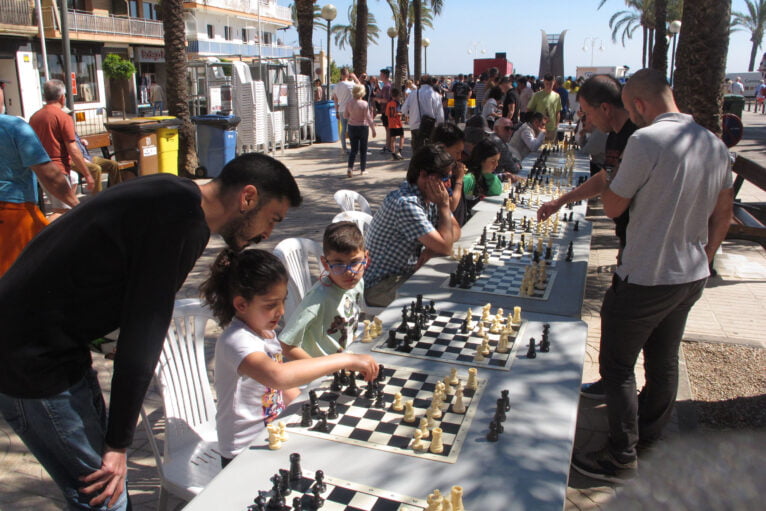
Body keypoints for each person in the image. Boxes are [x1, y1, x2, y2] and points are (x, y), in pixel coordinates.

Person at [0, 152, 302, 510]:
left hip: (52, 346)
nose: (267, 233)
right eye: (272, 219)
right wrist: (118, 445)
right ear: (248, 197)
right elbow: (144, 335)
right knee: (104, 495)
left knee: (107, 485)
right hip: (29, 357)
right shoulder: (182, 222)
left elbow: (96, 278)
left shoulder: (172, 191)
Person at [570, 68, 733, 483]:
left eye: (630, 109)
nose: (631, 117)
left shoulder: (644, 141)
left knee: (618, 367)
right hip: (690, 275)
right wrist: (705, 258)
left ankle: (620, 455)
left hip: (645, 276)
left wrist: (611, 182)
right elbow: (724, 214)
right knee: (663, 362)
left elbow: (612, 208)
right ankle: (650, 439)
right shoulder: (714, 144)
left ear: (639, 105)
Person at [201, 248, 378, 467]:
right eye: (270, 305)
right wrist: (346, 360)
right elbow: (278, 376)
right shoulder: (236, 341)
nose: (281, 311)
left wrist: (305, 408)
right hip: (243, 450)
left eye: (283, 301)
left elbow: (279, 390)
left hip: (272, 434)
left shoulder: (264, 331)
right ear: (241, 305)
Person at [364, 144, 461, 307]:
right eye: (444, 178)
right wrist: (444, 206)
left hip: (401, 274)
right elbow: (446, 246)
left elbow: (456, 230)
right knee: (440, 296)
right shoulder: (406, 204)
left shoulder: (427, 196)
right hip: (378, 286)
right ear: (423, 175)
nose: (448, 185)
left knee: (450, 280)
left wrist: (431, 248)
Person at [0, 81, 78, 276]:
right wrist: (77, 205)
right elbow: (49, 175)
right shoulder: (12, 126)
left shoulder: (34, 117)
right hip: (12, 216)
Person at [280, 222, 368, 358]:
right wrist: (318, 368)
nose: (350, 272)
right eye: (339, 264)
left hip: (346, 360)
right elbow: (286, 345)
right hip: (325, 371)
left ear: (366, 258)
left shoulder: (358, 283)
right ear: (325, 264)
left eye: (355, 262)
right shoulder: (317, 299)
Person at [29, 79, 96, 218]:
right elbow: (73, 149)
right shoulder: (63, 117)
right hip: (56, 169)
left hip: (41, 168)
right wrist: (88, 175)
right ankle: (47, 238)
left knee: (68, 207)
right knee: (63, 211)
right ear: (62, 97)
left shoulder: (34, 117)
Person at [431, 123, 469, 226]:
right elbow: (451, 205)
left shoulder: (450, 168)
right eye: (457, 152)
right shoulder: (435, 172)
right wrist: (459, 179)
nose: (459, 157)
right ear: (442, 148)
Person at [401, 74, 445, 152]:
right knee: (430, 151)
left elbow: (403, 110)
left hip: (415, 126)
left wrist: (410, 114)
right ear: (432, 83)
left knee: (417, 152)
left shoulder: (413, 93)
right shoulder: (436, 95)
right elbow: (440, 116)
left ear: (420, 82)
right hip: (431, 127)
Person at [344, 83, 377, 177]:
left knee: (353, 149)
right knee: (363, 149)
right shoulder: (364, 104)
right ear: (362, 93)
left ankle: (350, 168)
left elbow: (345, 116)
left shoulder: (349, 103)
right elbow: (368, 118)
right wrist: (373, 130)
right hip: (363, 127)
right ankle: (363, 169)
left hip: (352, 127)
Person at [463, 139, 504, 204]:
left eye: (497, 161)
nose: (496, 165)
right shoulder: (469, 178)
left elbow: (497, 191)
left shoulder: (484, 174)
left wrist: (489, 175)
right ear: (481, 160)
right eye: (493, 162)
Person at [526, 73, 562, 141]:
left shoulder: (557, 96)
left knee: (550, 148)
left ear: (554, 83)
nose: (548, 86)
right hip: (539, 128)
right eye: (546, 84)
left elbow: (558, 112)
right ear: (544, 83)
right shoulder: (537, 95)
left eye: (550, 84)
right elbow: (529, 110)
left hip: (551, 128)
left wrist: (556, 126)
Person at [332, 67, 357, 154]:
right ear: (347, 74)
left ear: (341, 74)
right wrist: (354, 77)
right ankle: (353, 145)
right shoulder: (351, 84)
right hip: (351, 109)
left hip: (341, 109)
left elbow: (335, 100)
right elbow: (361, 86)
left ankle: (344, 147)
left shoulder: (336, 86)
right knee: (352, 128)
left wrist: (336, 111)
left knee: (343, 129)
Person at [375, 69, 393, 153]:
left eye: (381, 74)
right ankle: (387, 145)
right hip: (387, 110)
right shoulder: (388, 85)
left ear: (385, 75)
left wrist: (378, 99)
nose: (380, 75)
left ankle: (388, 146)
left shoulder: (386, 87)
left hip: (386, 110)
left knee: (388, 129)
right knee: (387, 129)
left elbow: (386, 100)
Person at [385, 87, 405, 159]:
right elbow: (398, 113)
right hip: (398, 123)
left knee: (393, 139)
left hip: (391, 123)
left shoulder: (389, 103)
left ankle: (393, 153)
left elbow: (387, 114)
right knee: (402, 136)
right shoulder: (397, 103)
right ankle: (399, 150)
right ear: (397, 96)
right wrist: (402, 114)